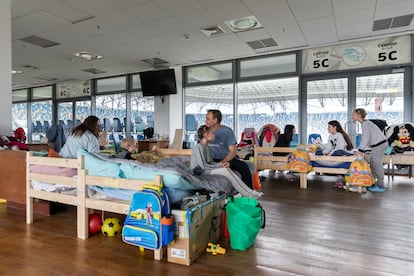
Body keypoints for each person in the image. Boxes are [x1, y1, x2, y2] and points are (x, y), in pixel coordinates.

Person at [190, 125, 262, 198]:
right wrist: (220, 165)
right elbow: (203, 166)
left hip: (206, 168)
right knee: (224, 170)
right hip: (200, 171)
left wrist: (222, 164)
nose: (213, 135)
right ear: (206, 135)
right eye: (212, 133)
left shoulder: (206, 147)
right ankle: (247, 194)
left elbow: (210, 162)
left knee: (226, 169)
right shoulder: (199, 147)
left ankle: (249, 191)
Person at [205, 109, 254, 189]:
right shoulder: (205, 131)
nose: (206, 121)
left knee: (244, 167)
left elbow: (233, 152)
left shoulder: (227, 131)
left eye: (208, 119)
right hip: (211, 160)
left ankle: (249, 193)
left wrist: (221, 162)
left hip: (226, 159)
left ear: (215, 120)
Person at [352, 108, 388, 193]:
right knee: (372, 163)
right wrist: (364, 147)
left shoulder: (365, 124)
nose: (352, 116)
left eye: (353, 114)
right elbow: (368, 138)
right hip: (378, 144)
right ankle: (372, 182)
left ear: (359, 115)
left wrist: (360, 150)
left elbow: (365, 138)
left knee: (376, 163)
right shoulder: (366, 123)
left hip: (380, 145)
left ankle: (380, 185)